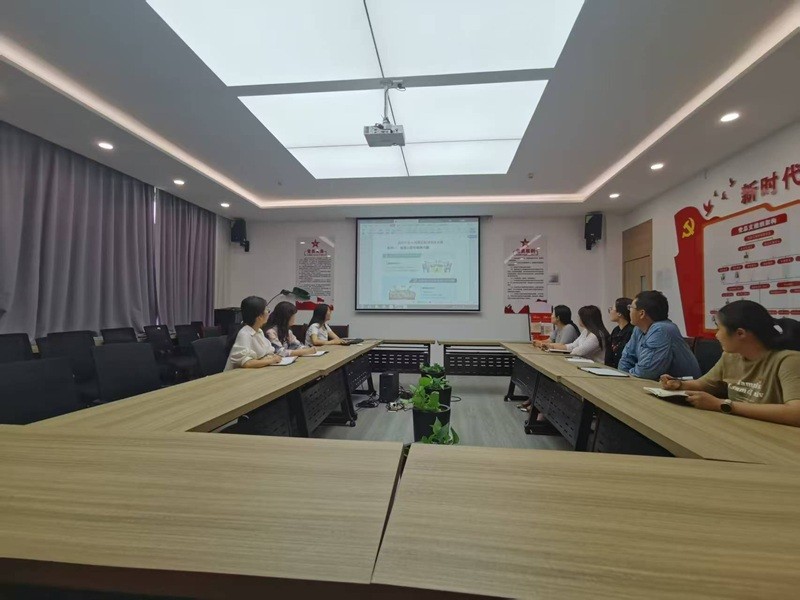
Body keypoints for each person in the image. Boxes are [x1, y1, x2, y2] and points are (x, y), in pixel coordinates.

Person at [660, 300, 800, 426]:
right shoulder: (730, 357)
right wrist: (679, 384)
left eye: (719, 329)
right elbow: (704, 384)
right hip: (737, 428)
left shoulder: (788, 360)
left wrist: (722, 405)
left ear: (740, 333)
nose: (716, 335)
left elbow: (796, 413)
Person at [617, 290, 701, 380]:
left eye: (631, 307)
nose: (629, 310)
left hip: (682, 386)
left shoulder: (661, 330)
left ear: (642, 313)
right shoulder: (638, 328)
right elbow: (626, 358)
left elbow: (646, 372)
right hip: (652, 384)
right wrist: (624, 376)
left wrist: (627, 375)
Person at [223, 296, 283, 371]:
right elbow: (246, 363)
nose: (269, 312)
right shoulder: (244, 333)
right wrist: (271, 360)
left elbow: (267, 352)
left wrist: (272, 357)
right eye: (267, 310)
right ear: (259, 316)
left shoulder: (259, 331)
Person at [542, 305, 609, 363]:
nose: (578, 319)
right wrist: (552, 347)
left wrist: (556, 348)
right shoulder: (585, 331)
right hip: (585, 363)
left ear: (586, 319)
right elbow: (573, 345)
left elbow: (579, 351)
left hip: (597, 366)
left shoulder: (595, 335)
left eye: (580, 317)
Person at [605, 297, 634, 368]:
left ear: (619, 313)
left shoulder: (632, 331)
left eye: (612, 309)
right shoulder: (616, 330)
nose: (610, 311)